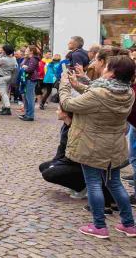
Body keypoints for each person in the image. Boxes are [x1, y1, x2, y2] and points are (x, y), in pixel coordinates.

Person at [59, 54, 136, 238]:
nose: (103, 68)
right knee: (115, 183)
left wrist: (65, 85)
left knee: (93, 183)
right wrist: (79, 82)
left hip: (92, 145)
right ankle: (129, 224)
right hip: (114, 146)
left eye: (107, 67)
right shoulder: (128, 92)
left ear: (112, 73)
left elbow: (68, 103)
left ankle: (99, 226)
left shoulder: (99, 94)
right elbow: (96, 92)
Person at [0, 44, 17, 116]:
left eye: (3, 50)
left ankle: (7, 107)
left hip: (1, 77)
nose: (2, 51)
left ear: (5, 51)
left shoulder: (2, 59)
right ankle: (4, 108)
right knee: (5, 93)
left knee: (3, 93)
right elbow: (15, 68)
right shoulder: (14, 58)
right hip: (9, 76)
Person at [20, 45, 40, 121]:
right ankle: (27, 114)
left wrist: (25, 67)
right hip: (28, 79)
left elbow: (30, 69)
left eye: (27, 50)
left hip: (31, 79)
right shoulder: (29, 58)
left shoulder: (33, 59)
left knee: (30, 98)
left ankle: (30, 115)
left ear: (31, 51)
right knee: (27, 97)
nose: (25, 51)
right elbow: (22, 65)